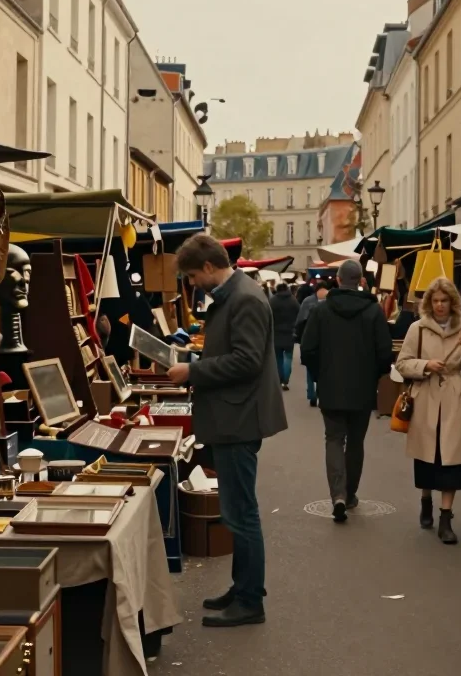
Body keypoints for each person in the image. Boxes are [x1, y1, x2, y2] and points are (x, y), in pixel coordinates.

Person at [165, 234, 286, 628]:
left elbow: (247, 361)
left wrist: (193, 370)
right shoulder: (237, 294)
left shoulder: (245, 299)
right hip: (234, 416)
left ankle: (251, 600)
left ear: (209, 267)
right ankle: (243, 587)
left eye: (193, 276)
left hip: (239, 419)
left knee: (241, 513)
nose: (193, 284)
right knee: (238, 511)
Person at [301, 260, 393, 522]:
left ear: (338, 280)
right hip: (362, 389)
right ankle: (350, 493)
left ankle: (337, 495)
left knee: (333, 439)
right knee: (355, 442)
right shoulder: (373, 311)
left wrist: (321, 374)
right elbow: (384, 351)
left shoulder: (322, 311)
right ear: (360, 280)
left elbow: (307, 350)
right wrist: (373, 375)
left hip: (331, 387)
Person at [395, 277, 461, 544]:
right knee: (427, 458)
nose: (440, 305)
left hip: (454, 399)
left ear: (453, 302)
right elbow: (402, 364)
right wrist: (425, 365)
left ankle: (446, 518)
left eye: (445, 301)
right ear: (429, 303)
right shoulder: (417, 329)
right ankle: (425, 501)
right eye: (436, 301)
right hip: (425, 399)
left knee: (452, 461)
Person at [294, 280, 330, 407]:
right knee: (325, 368)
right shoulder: (333, 302)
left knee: (310, 367)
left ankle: (312, 395)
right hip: (327, 342)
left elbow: (299, 321)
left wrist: (299, 337)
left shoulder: (308, 301)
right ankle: (323, 393)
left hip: (310, 340)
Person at [269, 283, 300, 390]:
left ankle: (280, 379)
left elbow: (268, 316)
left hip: (276, 333)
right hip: (290, 333)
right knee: (288, 357)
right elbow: (299, 314)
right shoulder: (293, 300)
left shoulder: (272, 301)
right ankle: (285, 381)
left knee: (278, 358)